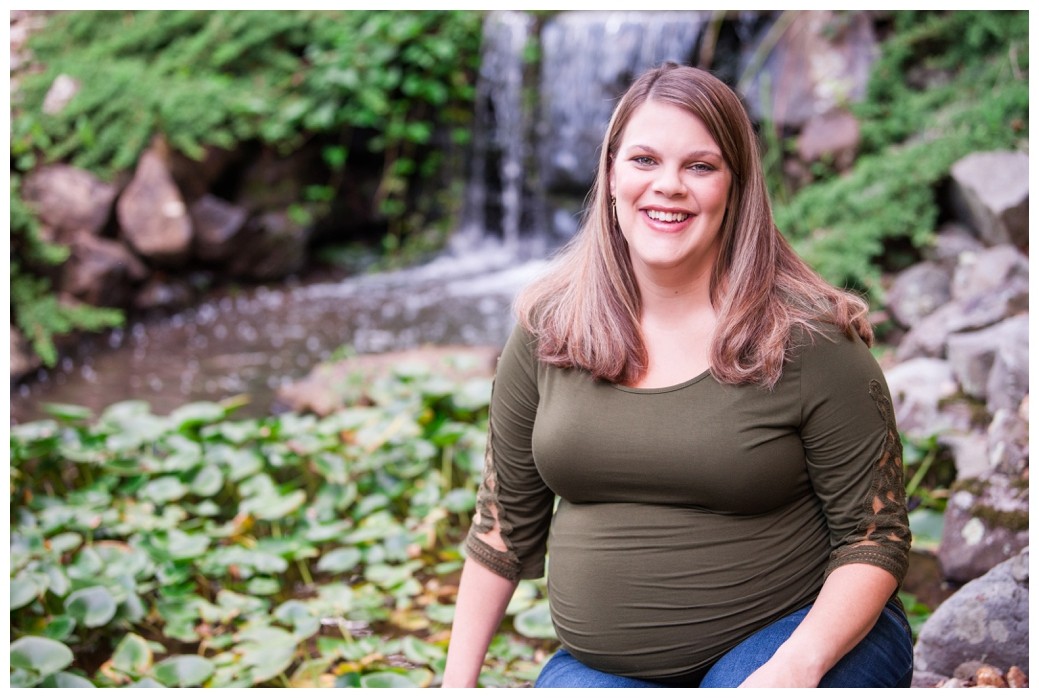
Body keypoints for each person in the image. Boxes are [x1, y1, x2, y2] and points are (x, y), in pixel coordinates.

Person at [442, 62, 913, 688]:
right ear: (610, 175)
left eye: (700, 166)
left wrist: (795, 667)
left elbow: (874, 536)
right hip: (601, 668)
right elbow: (501, 527)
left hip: (799, 639)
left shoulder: (810, 339)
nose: (669, 186)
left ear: (736, 187)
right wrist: (454, 684)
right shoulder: (548, 329)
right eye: (644, 160)